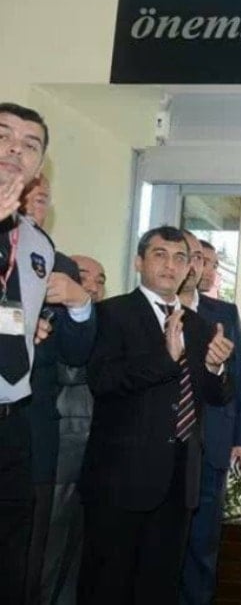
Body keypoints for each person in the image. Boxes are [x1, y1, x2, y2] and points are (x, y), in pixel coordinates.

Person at [78, 225, 234, 604]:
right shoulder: (111, 314)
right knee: (107, 588)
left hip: (179, 481)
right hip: (120, 481)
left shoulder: (199, 326)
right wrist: (165, 358)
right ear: (139, 262)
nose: (170, 265)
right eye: (160, 255)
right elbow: (103, 380)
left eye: (180, 257)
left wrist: (215, 368)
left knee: (160, 589)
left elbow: (215, 397)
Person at [0, 102, 88, 604]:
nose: (16, 149)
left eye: (30, 145)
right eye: (4, 136)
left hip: (14, 424)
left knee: (14, 570)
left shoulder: (37, 244)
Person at [20, 175, 97, 604]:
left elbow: (78, 352)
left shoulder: (57, 264)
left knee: (32, 553)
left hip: (33, 431)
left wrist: (79, 303)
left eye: (41, 199)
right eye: (23, 196)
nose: (31, 206)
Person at [179, 230, 241, 605]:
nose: (192, 265)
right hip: (159, 450)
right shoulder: (153, 310)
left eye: (199, 258)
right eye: (186, 255)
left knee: (202, 549)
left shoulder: (223, 314)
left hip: (211, 446)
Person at [41, 254, 105, 605]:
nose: (92, 286)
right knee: (47, 550)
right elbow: (70, 367)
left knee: (76, 556)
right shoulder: (51, 317)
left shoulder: (104, 321)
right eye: (83, 277)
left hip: (93, 455)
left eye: (100, 280)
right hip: (58, 449)